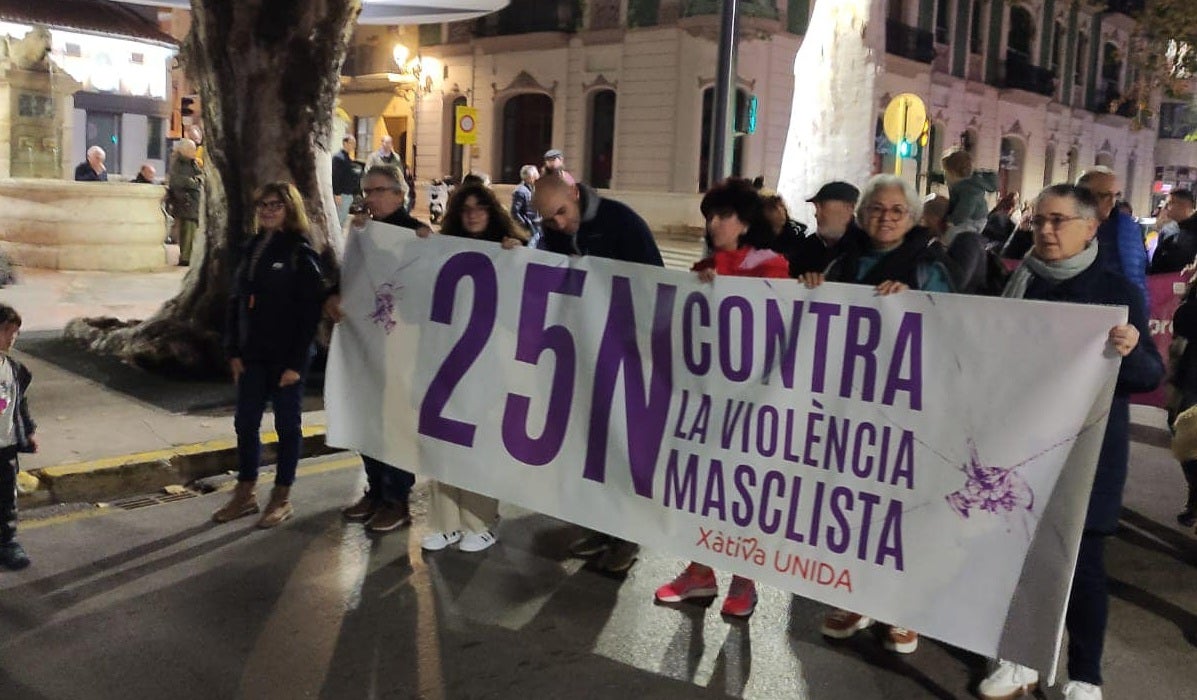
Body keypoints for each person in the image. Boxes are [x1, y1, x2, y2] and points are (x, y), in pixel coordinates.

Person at [977, 184, 1163, 700]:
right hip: (1024, 449)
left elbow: (1150, 373)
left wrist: (1127, 350)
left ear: (1090, 228)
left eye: (1059, 221)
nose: (1047, 231)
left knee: (1081, 569)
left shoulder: (1116, 291)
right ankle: (1021, 658)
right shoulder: (1018, 284)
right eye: (1039, 221)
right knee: (1017, 559)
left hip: (1090, 456)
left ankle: (1085, 675)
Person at [801, 174, 955, 655]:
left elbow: (955, 326)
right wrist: (812, 289)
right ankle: (856, 596)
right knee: (851, 504)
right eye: (875, 209)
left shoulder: (929, 266)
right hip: (850, 407)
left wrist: (913, 302)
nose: (885, 218)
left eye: (896, 210)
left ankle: (902, 607)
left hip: (908, 411)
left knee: (901, 509)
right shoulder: (844, 262)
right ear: (861, 214)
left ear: (912, 218)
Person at [654, 179, 788, 618]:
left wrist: (719, 274)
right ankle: (700, 570)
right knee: (702, 487)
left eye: (723, 216)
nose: (713, 224)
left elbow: (762, 321)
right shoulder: (710, 266)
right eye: (710, 216)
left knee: (742, 490)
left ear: (746, 223)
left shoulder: (772, 266)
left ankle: (744, 582)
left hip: (752, 403)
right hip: (708, 401)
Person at [533, 172, 663, 573]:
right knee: (589, 448)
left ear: (575, 193)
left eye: (561, 213)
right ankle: (600, 527)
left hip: (624, 351)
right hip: (583, 352)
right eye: (548, 220)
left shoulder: (621, 222)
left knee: (621, 446)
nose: (558, 224)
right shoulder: (553, 230)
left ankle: (627, 536)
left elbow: (653, 280)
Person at [419, 183, 528, 554]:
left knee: (479, 442)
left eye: (480, 206)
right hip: (445, 363)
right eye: (464, 208)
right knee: (441, 440)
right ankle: (445, 522)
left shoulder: (509, 251)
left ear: (492, 210)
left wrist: (517, 257)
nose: (472, 214)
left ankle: (481, 521)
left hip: (490, 366)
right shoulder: (442, 249)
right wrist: (421, 244)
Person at [216, 182, 324, 529]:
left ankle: (282, 497)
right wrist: (233, 350)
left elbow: (310, 314)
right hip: (252, 355)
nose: (268, 210)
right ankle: (245, 493)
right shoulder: (250, 249)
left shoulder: (300, 252)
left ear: (290, 209)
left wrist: (295, 364)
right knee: (245, 423)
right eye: (262, 204)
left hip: (286, 357)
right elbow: (235, 302)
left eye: (276, 204)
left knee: (287, 426)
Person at [330, 165, 432, 534]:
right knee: (366, 419)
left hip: (401, 347)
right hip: (364, 344)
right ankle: (375, 491)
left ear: (399, 194)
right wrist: (333, 295)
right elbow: (347, 277)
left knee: (395, 423)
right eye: (366, 191)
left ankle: (397, 499)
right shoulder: (361, 233)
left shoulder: (415, 234)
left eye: (378, 190)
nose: (370, 198)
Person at [1077, 167, 1149, 305]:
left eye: (1116, 195)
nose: (1112, 202)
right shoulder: (1069, 226)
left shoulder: (1130, 227)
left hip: (1120, 307)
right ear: (1082, 195)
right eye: (1105, 196)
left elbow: (1138, 273)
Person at [0, 305, 37, 571]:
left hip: (6, 445)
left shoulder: (14, 369)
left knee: (6, 498)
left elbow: (18, 404)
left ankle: (8, 542)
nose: (12, 337)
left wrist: (28, 432)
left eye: (15, 332)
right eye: (5, 331)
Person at [789, 180, 868, 276]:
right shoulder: (807, 247)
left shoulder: (867, 248)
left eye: (822, 206)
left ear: (850, 208)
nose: (816, 214)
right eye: (816, 207)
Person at [942, 150, 998, 237]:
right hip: (972, 219)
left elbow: (964, 209)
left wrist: (951, 221)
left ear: (954, 173)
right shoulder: (962, 185)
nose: (945, 176)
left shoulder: (970, 189)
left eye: (946, 172)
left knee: (949, 237)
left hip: (973, 220)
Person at [167, 139, 203, 267]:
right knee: (187, 231)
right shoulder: (178, 163)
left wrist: (195, 181)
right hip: (185, 202)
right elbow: (177, 181)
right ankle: (186, 257)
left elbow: (200, 177)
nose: (194, 152)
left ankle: (190, 256)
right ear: (185, 150)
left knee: (192, 231)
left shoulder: (192, 163)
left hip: (193, 202)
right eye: (192, 149)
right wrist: (192, 182)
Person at [757, 191, 809, 276]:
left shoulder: (798, 234)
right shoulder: (757, 239)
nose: (780, 211)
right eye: (773, 209)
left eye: (781, 206)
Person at [1149, 189, 1197, 273]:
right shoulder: (1167, 230)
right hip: (1165, 281)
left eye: (1169, 204)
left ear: (1184, 205)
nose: (1165, 208)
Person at [331, 135, 363, 227]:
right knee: (339, 221)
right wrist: (337, 194)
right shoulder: (338, 158)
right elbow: (336, 176)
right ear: (345, 143)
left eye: (354, 144)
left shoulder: (347, 158)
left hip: (348, 193)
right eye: (352, 143)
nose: (354, 146)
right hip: (342, 194)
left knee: (343, 220)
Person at [511, 164, 542, 248]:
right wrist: (525, 224)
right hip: (530, 227)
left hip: (536, 226)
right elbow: (515, 211)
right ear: (530, 177)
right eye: (535, 176)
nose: (537, 178)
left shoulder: (532, 189)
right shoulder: (521, 191)